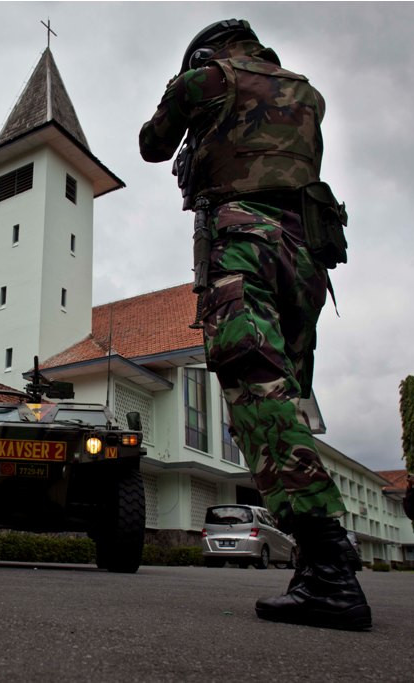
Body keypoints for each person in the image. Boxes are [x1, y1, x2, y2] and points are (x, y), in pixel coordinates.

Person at [139, 19, 367, 630]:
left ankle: (325, 565)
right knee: (287, 392)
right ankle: (324, 557)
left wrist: (185, 94)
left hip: (244, 246)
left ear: (209, 51)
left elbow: (151, 145)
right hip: (308, 258)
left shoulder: (206, 79)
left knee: (256, 387)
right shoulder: (306, 91)